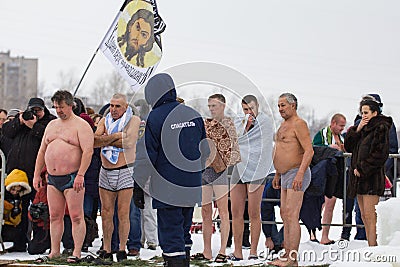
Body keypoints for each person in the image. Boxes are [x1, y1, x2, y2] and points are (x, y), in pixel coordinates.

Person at [135, 73, 209, 267]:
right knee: (184, 231)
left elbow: (146, 156)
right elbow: (206, 150)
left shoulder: (154, 117)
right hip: (191, 186)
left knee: (170, 232)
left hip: (167, 186)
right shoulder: (193, 114)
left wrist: (138, 185)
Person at [32, 90, 93, 263]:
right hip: (52, 178)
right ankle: (55, 250)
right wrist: (37, 174)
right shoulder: (51, 125)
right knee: (54, 216)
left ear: (71, 105)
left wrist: (81, 174)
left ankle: (77, 251)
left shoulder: (81, 125)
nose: (58, 110)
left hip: (73, 177)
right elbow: (42, 151)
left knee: (76, 216)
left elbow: (88, 152)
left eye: (62, 107)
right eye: (56, 107)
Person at [191, 94, 240, 263]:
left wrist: (215, 157)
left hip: (220, 171)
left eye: (215, 106)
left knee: (223, 211)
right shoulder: (205, 124)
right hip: (204, 170)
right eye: (210, 106)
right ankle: (206, 251)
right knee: (205, 212)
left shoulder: (228, 124)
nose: (212, 109)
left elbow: (232, 149)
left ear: (223, 106)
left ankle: (222, 250)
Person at [2, 97, 56, 252]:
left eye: (38, 110)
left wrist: (34, 125)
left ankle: (41, 241)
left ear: (44, 110)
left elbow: (47, 137)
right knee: (19, 208)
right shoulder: (22, 120)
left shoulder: (50, 122)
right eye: (32, 110)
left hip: (38, 174)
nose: (34, 113)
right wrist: (20, 120)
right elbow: (6, 132)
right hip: (18, 175)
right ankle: (19, 242)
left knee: (39, 209)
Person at [94, 93, 141, 262]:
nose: (113, 109)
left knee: (123, 213)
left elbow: (129, 143)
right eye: (111, 105)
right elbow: (94, 141)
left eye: (117, 106)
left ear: (125, 107)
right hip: (105, 170)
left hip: (125, 169)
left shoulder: (133, 120)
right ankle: (107, 248)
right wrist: (116, 136)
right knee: (106, 213)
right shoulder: (103, 120)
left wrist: (105, 139)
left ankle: (122, 248)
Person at [270, 93, 314, 267]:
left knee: (292, 215)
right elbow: (281, 150)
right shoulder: (283, 125)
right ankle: (287, 253)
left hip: (297, 172)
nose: (280, 109)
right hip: (284, 174)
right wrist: (277, 173)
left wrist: (300, 174)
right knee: (284, 214)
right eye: (279, 106)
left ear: (293, 105)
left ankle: (293, 259)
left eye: (283, 105)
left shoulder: (299, 124)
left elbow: (309, 151)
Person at [229, 94, 273, 261]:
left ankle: (253, 250)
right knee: (236, 211)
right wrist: (244, 127)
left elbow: (265, 146)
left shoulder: (265, 122)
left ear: (257, 107)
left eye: (251, 109)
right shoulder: (238, 121)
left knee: (254, 212)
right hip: (239, 167)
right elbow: (233, 140)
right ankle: (238, 250)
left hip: (257, 169)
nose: (248, 112)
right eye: (245, 109)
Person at [344, 96, 392, 246]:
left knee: (371, 215)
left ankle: (374, 247)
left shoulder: (380, 127)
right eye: (362, 112)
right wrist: (356, 130)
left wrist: (363, 168)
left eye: (366, 112)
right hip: (359, 178)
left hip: (371, 178)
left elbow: (380, 153)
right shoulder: (362, 128)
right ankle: (371, 245)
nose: (363, 116)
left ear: (375, 113)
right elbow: (349, 147)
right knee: (363, 214)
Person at [312, 113, 346, 245]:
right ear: (333, 123)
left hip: (334, 175)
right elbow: (314, 150)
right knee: (318, 205)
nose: (342, 129)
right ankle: (312, 233)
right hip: (322, 175)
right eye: (340, 126)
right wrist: (329, 149)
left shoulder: (341, 137)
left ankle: (325, 235)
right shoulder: (321, 135)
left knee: (330, 205)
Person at [2, 169, 31, 252]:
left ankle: (20, 245)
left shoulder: (20, 200)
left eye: (18, 191)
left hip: (12, 225)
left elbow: (18, 220)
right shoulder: (2, 195)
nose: (15, 193)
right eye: (13, 190)